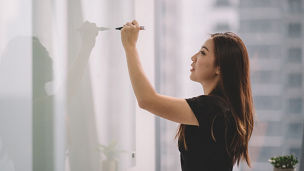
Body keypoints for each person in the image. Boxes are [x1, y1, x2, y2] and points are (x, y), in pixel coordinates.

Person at [121, 20, 255, 171]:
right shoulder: (220, 108)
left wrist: (130, 47)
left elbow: (147, 100)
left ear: (220, 68)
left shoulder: (211, 108)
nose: (194, 57)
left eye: (203, 53)